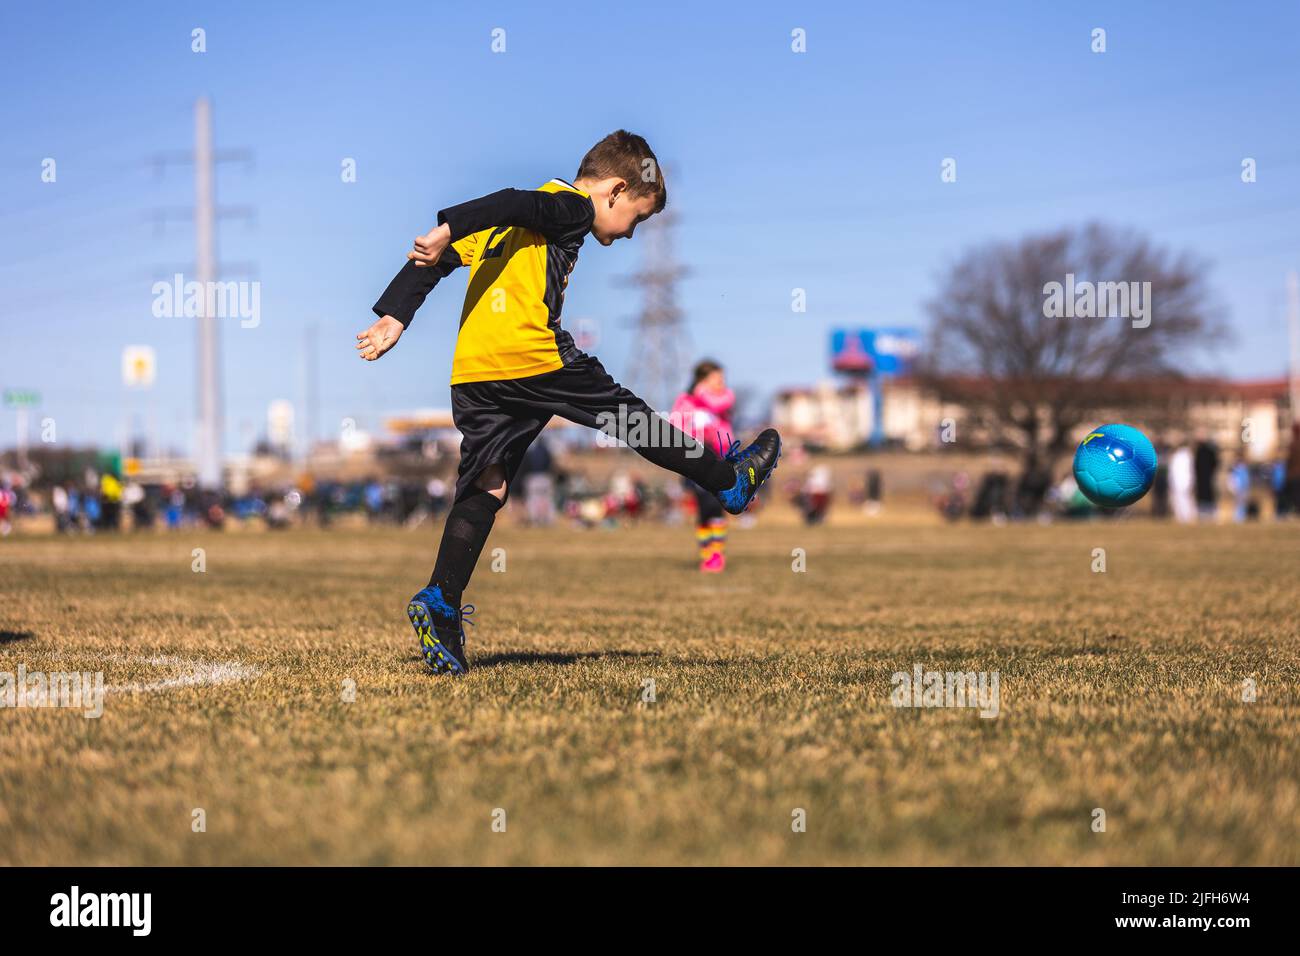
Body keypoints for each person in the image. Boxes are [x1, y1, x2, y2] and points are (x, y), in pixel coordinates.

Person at [356, 130, 781, 675]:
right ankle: (730, 482)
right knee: (634, 422)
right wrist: (447, 226)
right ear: (615, 190)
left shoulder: (511, 224)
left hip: (474, 374)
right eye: (636, 218)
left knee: (488, 484)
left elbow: (436, 263)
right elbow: (515, 200)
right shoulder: (571, 207)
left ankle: (440, 600)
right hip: (534, 358)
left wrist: (396, 315)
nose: (630, 235)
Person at [671, 360, 735, 572]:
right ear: (703, 379)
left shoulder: (724, 398)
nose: (722, 383)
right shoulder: (685, 401)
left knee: (716, 506)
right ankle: (707, 553)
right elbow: (674, 425)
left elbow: (719, 404)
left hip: (719, 457)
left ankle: (717, 554)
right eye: (718, 379)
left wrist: (702, 393)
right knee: (703, 508)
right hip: (693, 458)